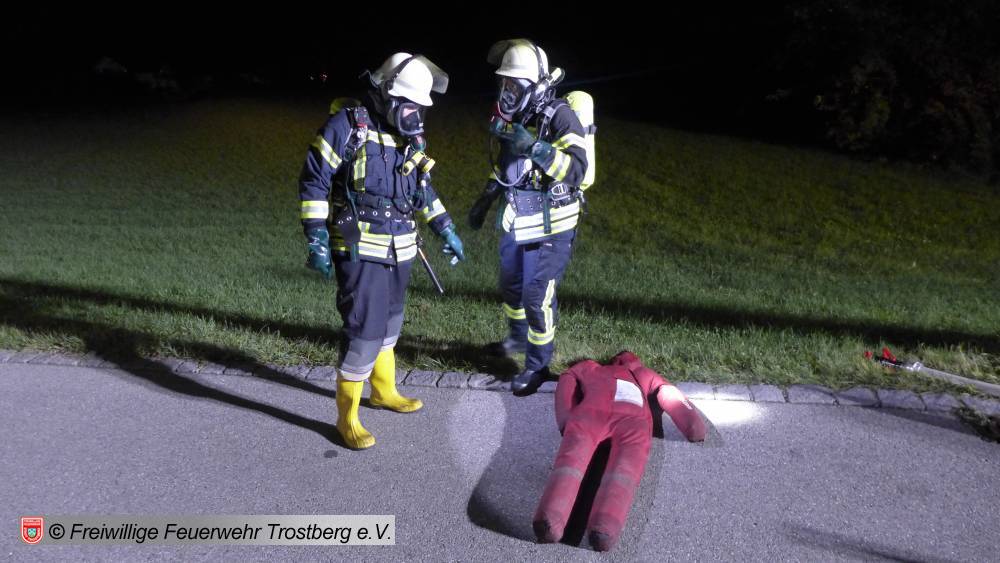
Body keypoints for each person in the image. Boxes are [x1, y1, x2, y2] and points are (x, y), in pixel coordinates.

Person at [298, 52, 465, 449]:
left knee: (391, 322)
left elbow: (422, 189)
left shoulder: (410, 138)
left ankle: (383, 391)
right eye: (409, 106)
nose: (416, 116)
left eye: (420, 108)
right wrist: (316, 237)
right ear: (386, 94)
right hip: (360, 247)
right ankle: (347, 417)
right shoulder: (347, 126)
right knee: (364, 331)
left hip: (402, 246)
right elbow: (314, 180)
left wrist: (445, 227)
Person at [472, 39, 588, 396]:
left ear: (535, 86)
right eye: (504, 84)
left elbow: (577, 170)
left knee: (536, 297)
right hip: (518, 220)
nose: (507, 93)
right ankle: (517, 340)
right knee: (511, 288)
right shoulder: (517, 118)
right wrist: (485, 199)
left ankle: (538, 365)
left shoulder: (560, 116)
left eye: (514, 85)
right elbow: (508, 167)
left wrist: (536, 148)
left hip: (553, 225)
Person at [534, 351, 705, 551]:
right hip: (633, 422)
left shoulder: (590, 367)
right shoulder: (642, 374)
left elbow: (567, 380)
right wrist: (693, 425)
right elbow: (668, 392)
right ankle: (605, 528)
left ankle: (549, 520)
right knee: (623, 474)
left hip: (590, 415)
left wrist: (566, 418)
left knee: (570, 464)